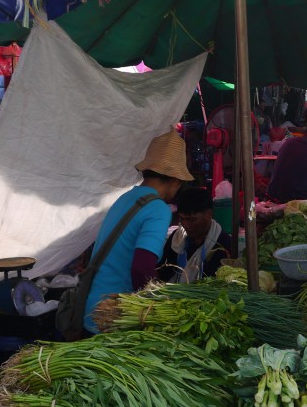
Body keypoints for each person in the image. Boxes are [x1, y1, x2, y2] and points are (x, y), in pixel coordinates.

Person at [83, 130, 194, 333]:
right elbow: (141, 267)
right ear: (176, 180)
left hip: (93, 308)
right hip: (114, 318)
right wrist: (154, 309)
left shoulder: (125, 199)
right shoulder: (158, 209)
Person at [156, 187, 234, 283]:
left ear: (209, 214)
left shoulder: (223, 244)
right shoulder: (176, 238)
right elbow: (163, 272)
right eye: (181, 219)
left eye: (192, 220)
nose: (185, 225)